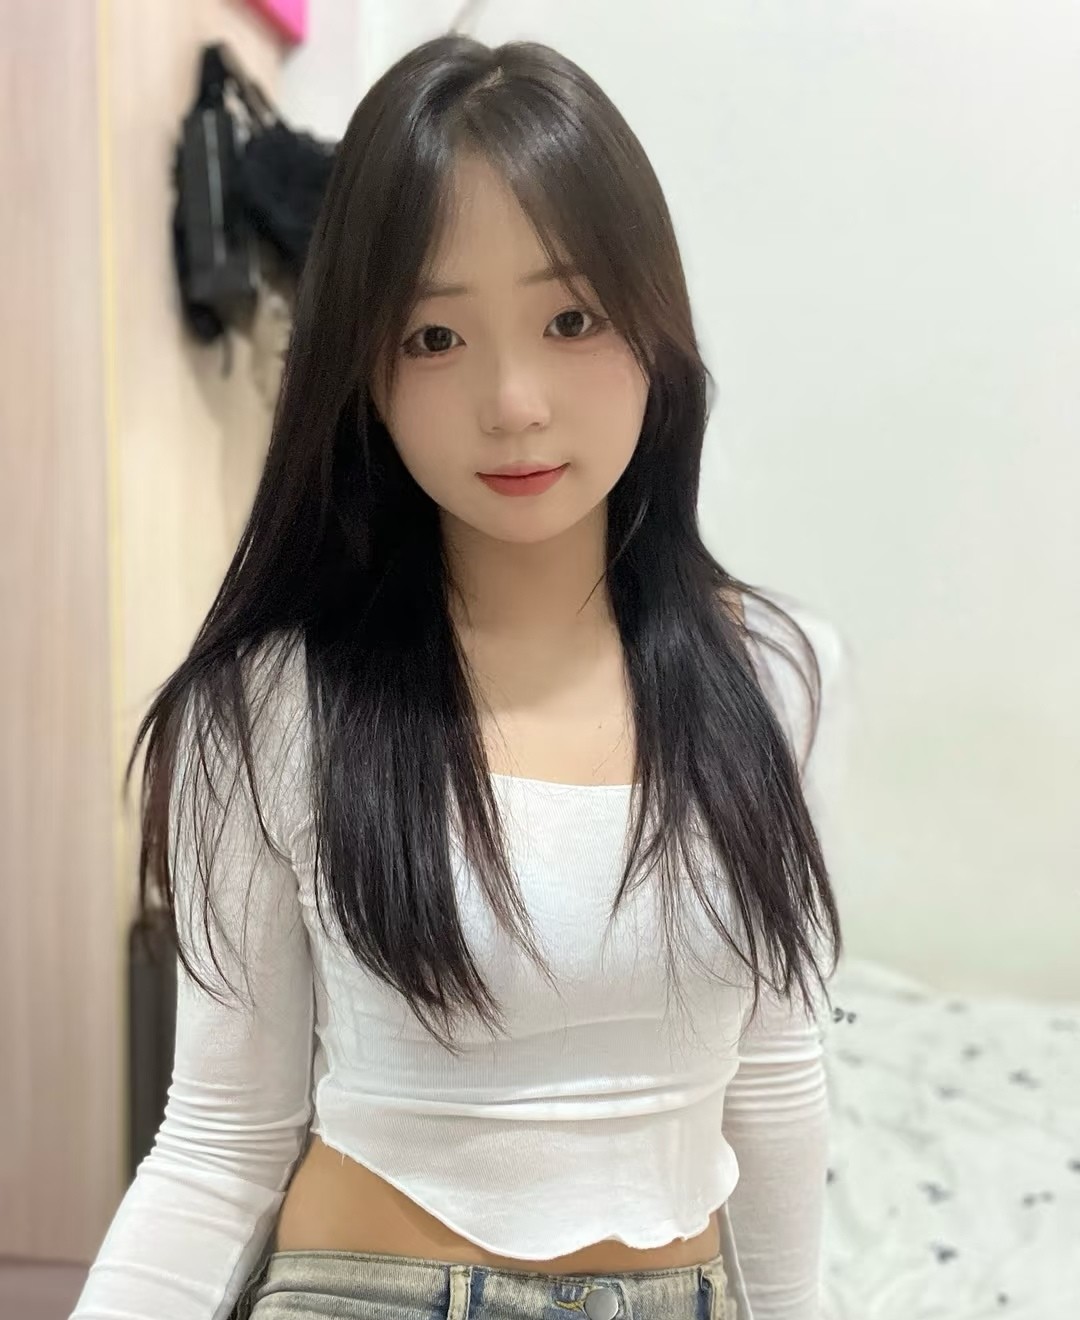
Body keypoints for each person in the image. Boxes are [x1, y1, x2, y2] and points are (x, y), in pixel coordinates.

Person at [72, 34, 846, 1320]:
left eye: (571, 317)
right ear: (362, 372)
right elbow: (217, 1148)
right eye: (434, 335)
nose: (514, 400)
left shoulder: (778, 676)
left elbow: (774, 1079)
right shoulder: (266, 708)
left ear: (654, 327)